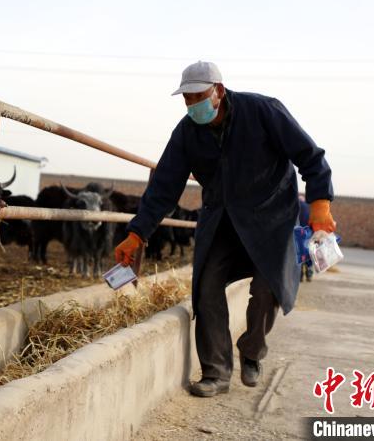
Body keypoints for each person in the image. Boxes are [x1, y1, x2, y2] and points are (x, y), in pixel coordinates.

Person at [114, 61, 336, 397]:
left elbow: (311, 156)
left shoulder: (263, 111)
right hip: (222, 220)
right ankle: (216, 373)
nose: (193, 104)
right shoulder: (187, 132)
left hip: (271, 220)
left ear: (218, 90)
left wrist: (320, 203)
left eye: (199, 96)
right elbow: (164, 186)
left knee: (268, 289)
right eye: (187, 98)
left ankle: (252, 350)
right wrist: (137, 233)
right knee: (206, 287)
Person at [298, 194, 314, 282]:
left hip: (297, 235)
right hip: (308, 234)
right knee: (309, 256)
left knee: (299, 256)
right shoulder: (309, 208)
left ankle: (300, 276)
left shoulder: (296, 206)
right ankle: (309, 275)